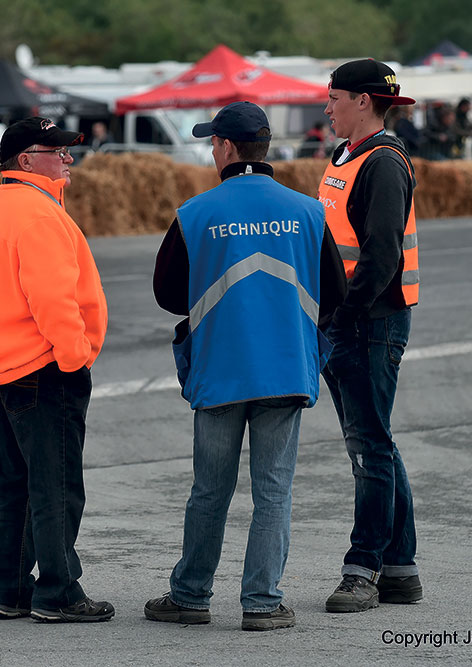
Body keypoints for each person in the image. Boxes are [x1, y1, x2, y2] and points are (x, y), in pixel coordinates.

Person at [143, 101, 346, 632]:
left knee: (210, 490)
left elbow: (167, 294)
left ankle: (189, 596)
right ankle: (262, 602)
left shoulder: (195, 213)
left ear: (228, 148)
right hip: (285, 370)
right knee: (273, 491)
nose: (213, 151)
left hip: (220, 371)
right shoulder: (308, 211)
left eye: (213, 143)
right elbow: (337, 291)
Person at [0, 117, 113, 623]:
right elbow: (53, 300)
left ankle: (7, 588)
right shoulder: (38, 214)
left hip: (0, 369)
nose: (67, 158)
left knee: (13, 486)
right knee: (58, 485)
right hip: (44, 367)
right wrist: (75, 359)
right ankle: (58, 590)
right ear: (25, 160)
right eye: (56, 151)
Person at [316, 59, 422, 613]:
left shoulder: (383, 162)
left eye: (333, 98)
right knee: (375, 441)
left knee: (369, 446)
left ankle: (364, 567)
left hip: (370, 322)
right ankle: (401, 569)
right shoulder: (346, 156)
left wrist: (343, 316)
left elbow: (381, 255)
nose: (326, 107)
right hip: (352, 319)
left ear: (362, 100)